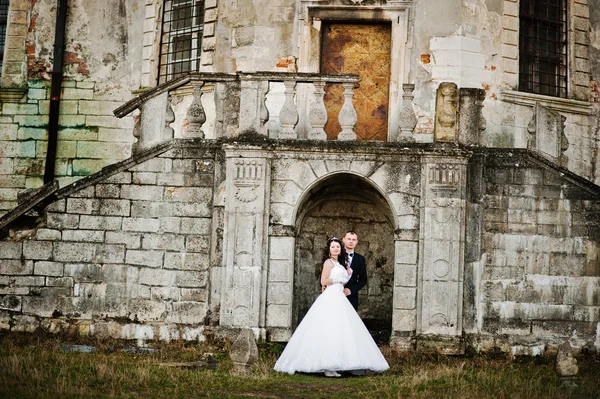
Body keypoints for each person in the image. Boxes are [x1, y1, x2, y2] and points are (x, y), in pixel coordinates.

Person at [273, 237, 389, 377]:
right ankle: (326, 367)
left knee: (340, 329)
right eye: (333, 247)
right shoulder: (328, 262)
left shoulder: (339, 263)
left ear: (341, 249)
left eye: (338, 247)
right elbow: (324, 280)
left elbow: (343, 282)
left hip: (340, 296)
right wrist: (338, 279)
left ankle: (334, 365)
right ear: (329, 249)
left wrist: (348, 275)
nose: (336, 249)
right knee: (328, 327)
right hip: (331, 297)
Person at [342, 231, 367, 310]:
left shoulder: (360, 259)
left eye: (353, 239)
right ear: (343, 240)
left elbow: (363, 280)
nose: (351, 241)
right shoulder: (336, 256)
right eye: (349, 239)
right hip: (335, 293)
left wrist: (350, 290)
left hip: (352, 297)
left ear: (357, 242)